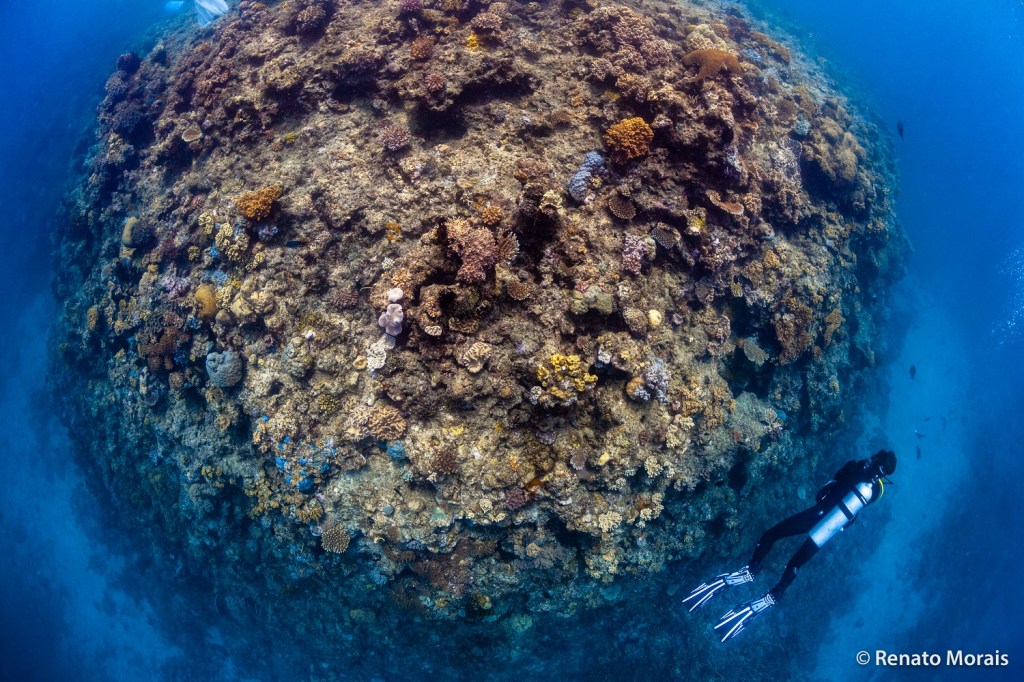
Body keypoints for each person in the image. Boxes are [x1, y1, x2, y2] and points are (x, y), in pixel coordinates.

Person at [683, 449, 897, 642]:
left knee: (771, 535)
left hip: (816, 515)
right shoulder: (876, 492)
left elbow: (838, 478)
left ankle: (752, 569)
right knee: (795, 563)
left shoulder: (858, 467)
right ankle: (775, 594)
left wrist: (860, 466)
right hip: (829, 529)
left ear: (877, 456)